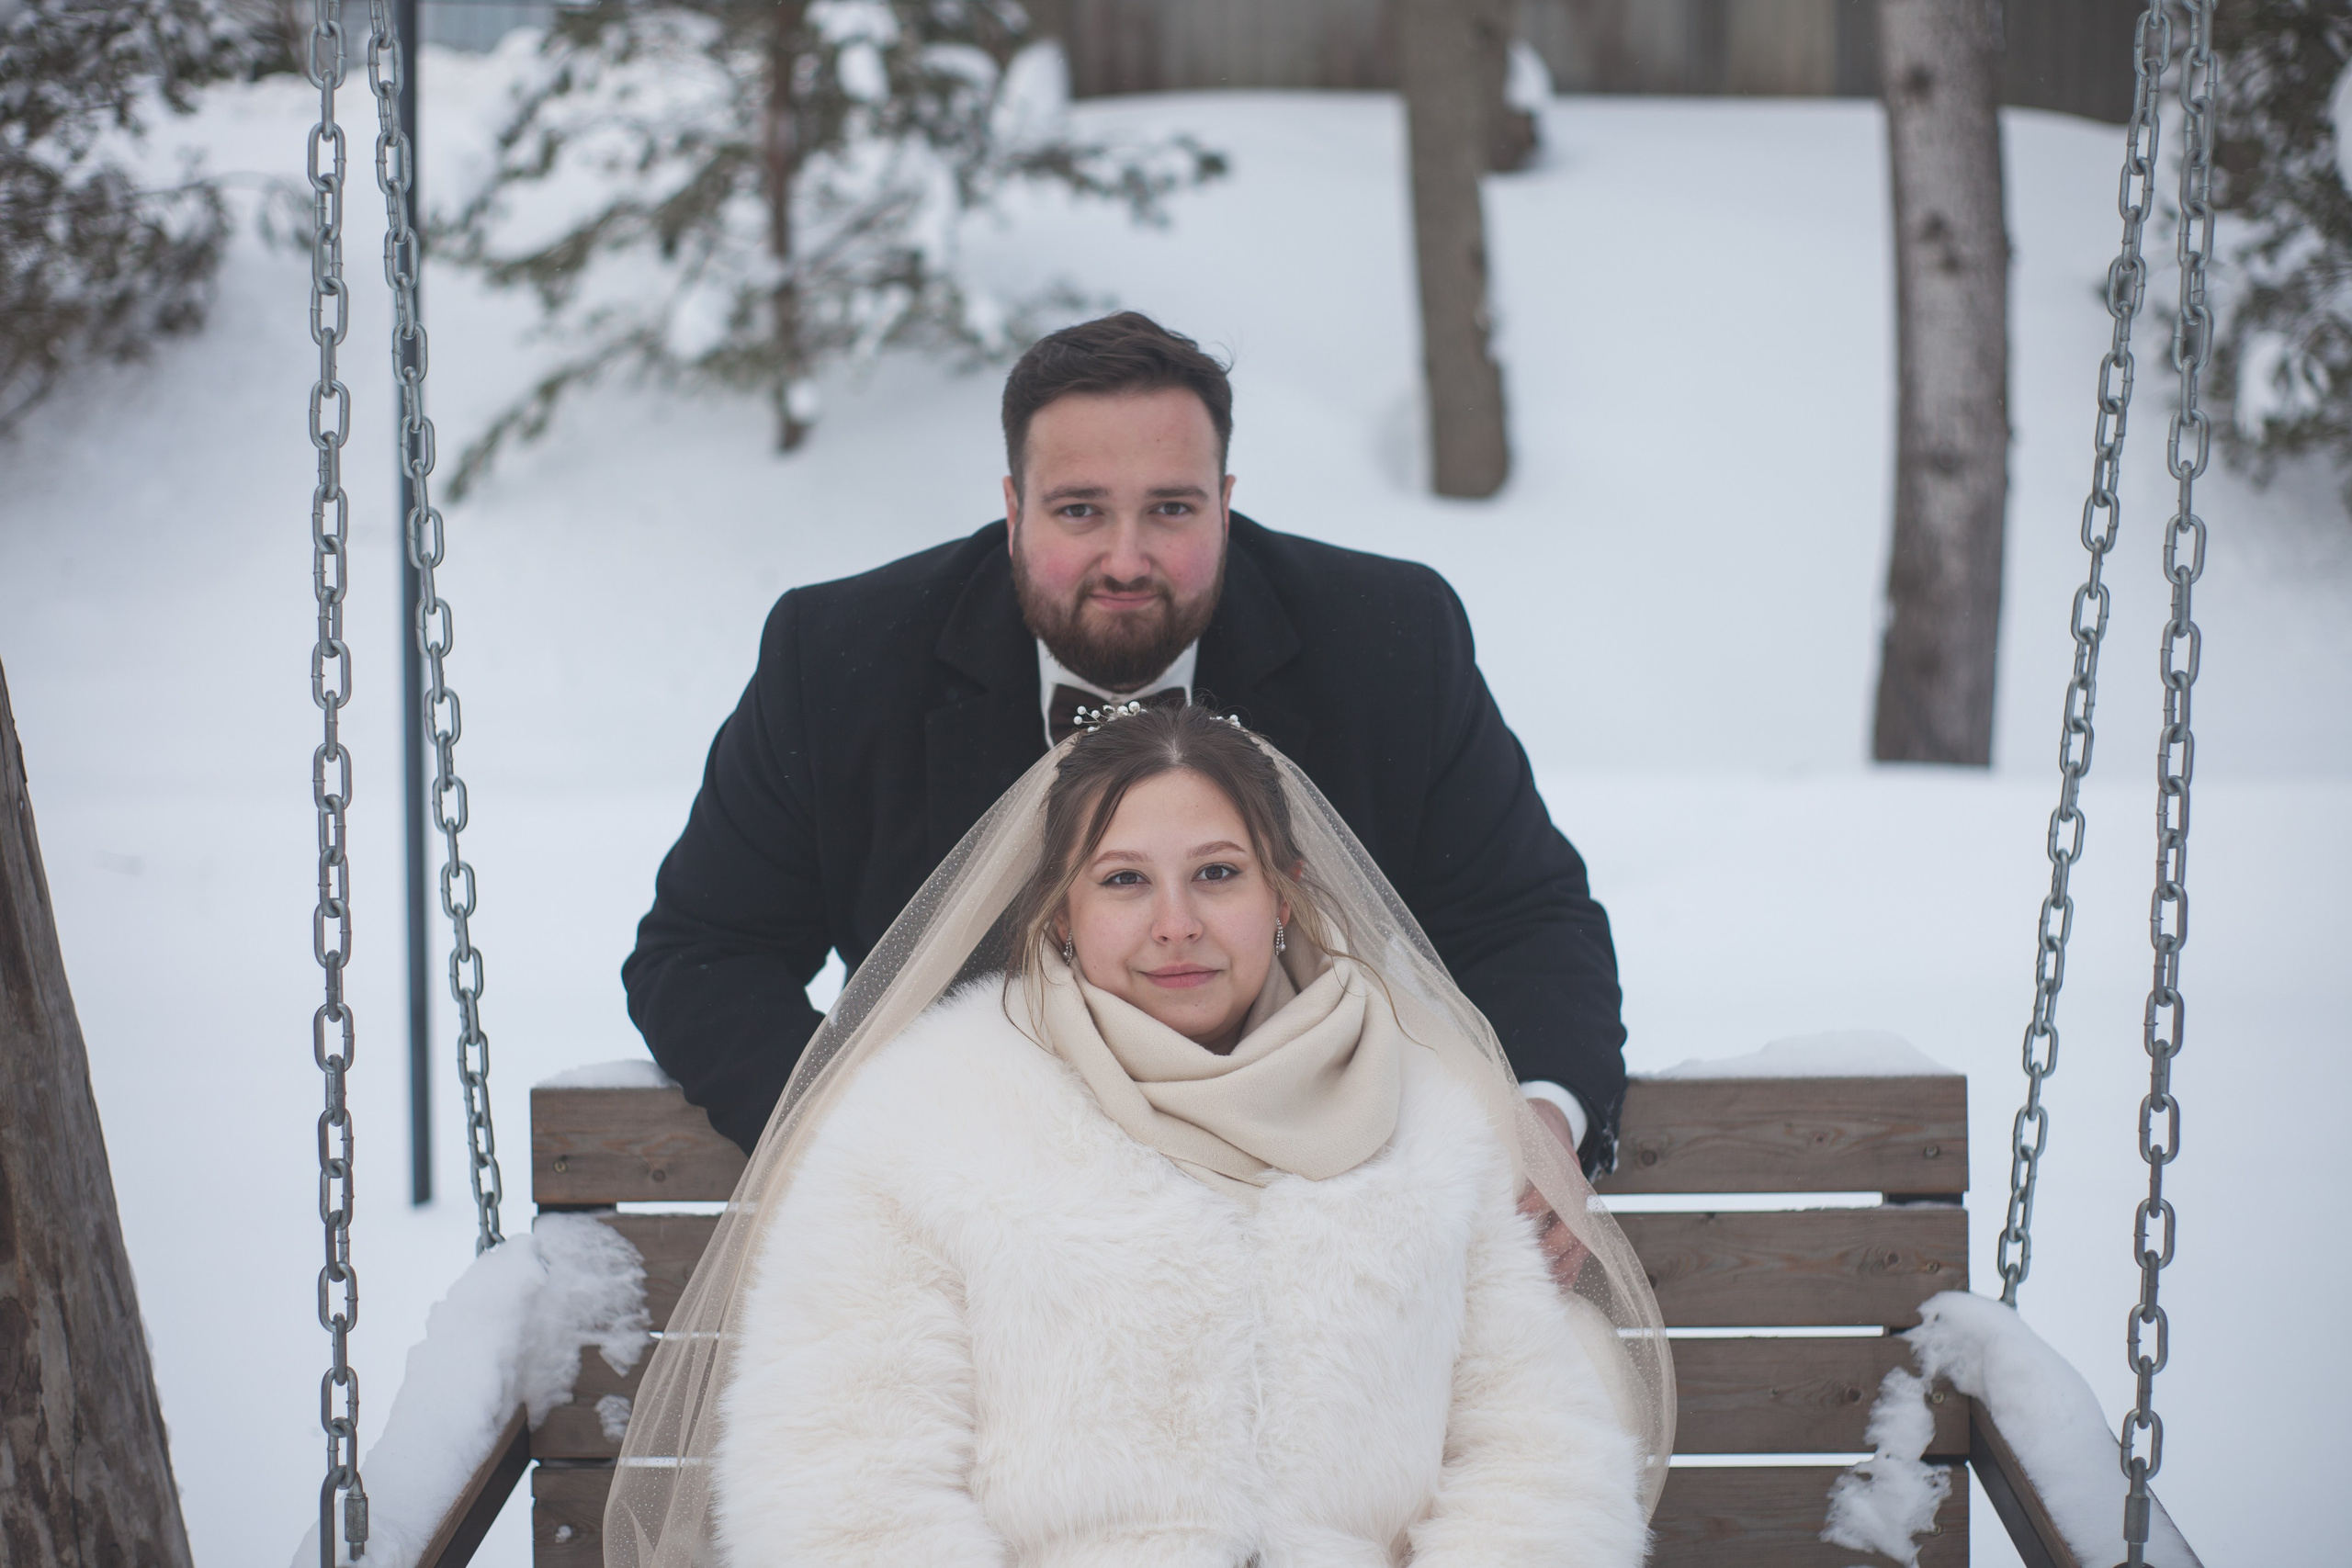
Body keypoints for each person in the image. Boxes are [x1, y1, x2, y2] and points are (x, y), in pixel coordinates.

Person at [605, 705, 1669, 1566]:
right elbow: (840, 1489)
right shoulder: (924, 1122)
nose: (1176, 925)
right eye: (1123, 881)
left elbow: (1536, 1456)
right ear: (1061, 913)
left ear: (1284, 897)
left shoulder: (1435, 1120)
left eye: (1217, 873)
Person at [624, 311, 1629, 1173]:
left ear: (1226, 506)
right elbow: (706, 956)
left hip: (1305, 1204)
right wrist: (877, 1145)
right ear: (1013, 509)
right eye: (1079, 511)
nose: (1126, 557)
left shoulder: (1386, 638)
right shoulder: (841, 658)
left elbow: (1519, 918)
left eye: (1171, 509)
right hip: (976, 1220)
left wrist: (1541, 1117)